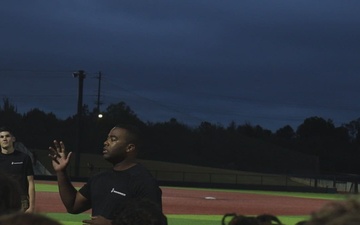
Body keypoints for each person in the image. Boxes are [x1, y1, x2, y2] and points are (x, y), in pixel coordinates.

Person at [49, 124, 163, 225]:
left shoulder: (143, 181)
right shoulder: (99, 178)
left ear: (129, 148)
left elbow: (155, 222)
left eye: (113, 139)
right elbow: (73, 205)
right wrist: (61, 172)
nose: (106, 142)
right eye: (107, 138)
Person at [0, 127, 35, 213]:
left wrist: (32, 206)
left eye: (7, 136)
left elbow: (30, 182)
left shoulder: (24, 158)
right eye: (1, 137)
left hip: (20, 201)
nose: (4, 139)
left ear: (13, 139)